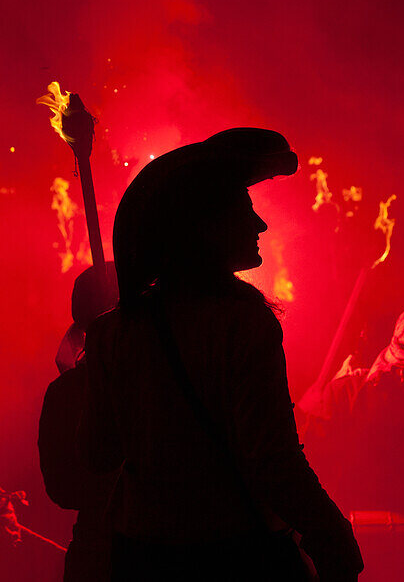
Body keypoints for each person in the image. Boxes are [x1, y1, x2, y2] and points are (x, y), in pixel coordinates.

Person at [83, 128, 363, 581]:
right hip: (233, 554)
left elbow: (96, 453)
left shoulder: (112, 332)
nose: (259, 225)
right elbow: (272, 459)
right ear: (204, 228)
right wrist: (329, 532)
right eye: (243, 210)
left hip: (141, 556)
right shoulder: (243, 324)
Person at [39, 263, 119, 581]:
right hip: (139, 553)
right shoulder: (155, 381)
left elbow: (62, 490)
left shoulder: (65, 391)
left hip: (94, 552)